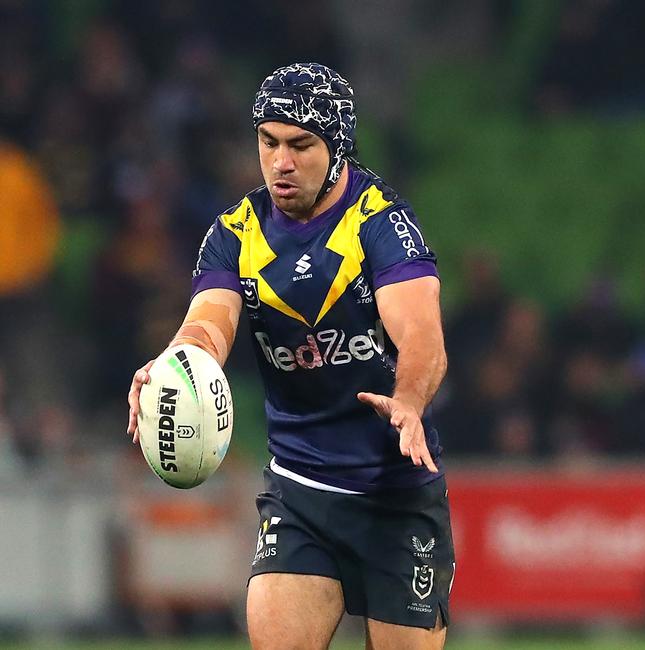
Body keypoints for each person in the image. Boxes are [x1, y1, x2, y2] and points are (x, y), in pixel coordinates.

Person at [127, 62, 454, 650]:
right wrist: (175, 362)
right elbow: (208, 325)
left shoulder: (381, 224)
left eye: (301, 144)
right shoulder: (234, 234)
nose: (281, 161)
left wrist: (408, 400)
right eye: (268, 141)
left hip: (395, 495)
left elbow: (423, 337)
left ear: (337, 147)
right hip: (300, 492)